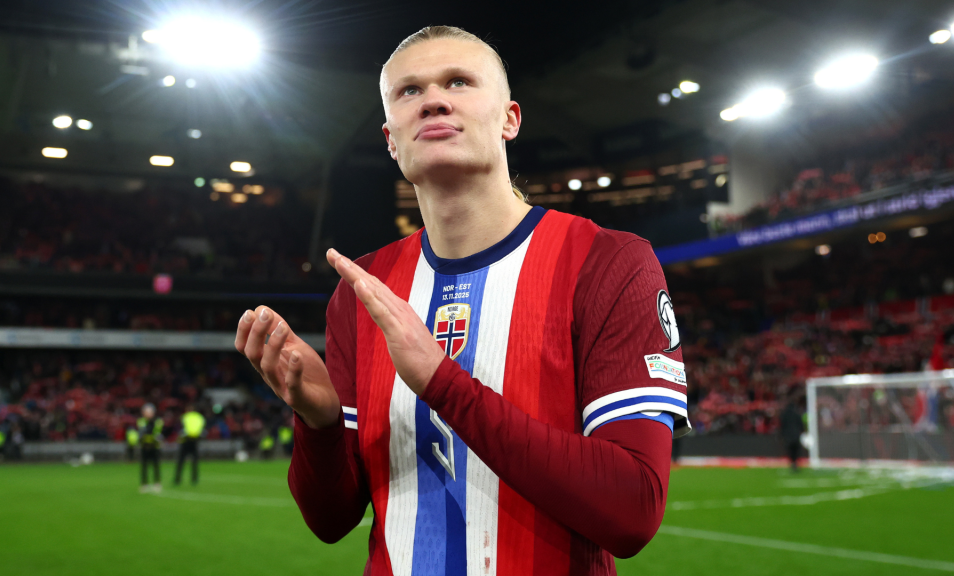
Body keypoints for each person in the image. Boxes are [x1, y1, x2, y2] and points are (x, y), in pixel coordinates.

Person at [235, 26, 689, 575]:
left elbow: (632, 511)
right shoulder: (362, 289)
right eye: (409, 91)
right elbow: (331, 520)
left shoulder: (607, 262)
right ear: (390, 139)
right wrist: (321, 421)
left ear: (509, 119)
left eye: (458, 81)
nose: (433, 100)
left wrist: (441, 382)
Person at [174, 405, 205, 485]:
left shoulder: (185, 417)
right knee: (193, 461)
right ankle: (193, 479)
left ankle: (178, 479)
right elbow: (201, 428)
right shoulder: (199, 417)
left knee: (183, 461)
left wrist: (180, 436)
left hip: (186, 440)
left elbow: (181, 428)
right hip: (193, 440)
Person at [137, 403, 164, 493]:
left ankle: (157, 483)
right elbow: (143, 432)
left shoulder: (157, 421)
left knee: (156, 465)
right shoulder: (141, 421)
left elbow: (156, 432)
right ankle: (144, 484)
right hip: (145, 446)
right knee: (144, 466)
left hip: (154, 446)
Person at [780, 393, 806, 472]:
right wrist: (802, 431)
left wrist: (783, 433)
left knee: (790, 450)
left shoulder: (784, 414)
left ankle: (792, 463)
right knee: (796, 450)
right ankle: (795, 463)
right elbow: (800, 424)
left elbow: (782, 424)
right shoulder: (797, 413)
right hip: (796, 435)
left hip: (788, 435)